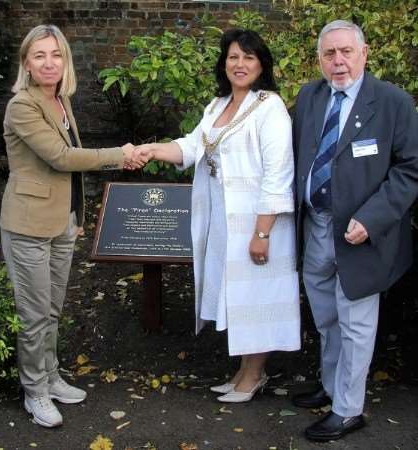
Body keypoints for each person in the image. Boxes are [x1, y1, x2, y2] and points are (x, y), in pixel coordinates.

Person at [136, 29, 300, 403]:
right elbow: (192, 146)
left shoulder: (269, 108)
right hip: (224, 221)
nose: (239, 65)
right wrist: (149, 149)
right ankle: (244, 371)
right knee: (237, 297)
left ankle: (254, 375)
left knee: (256, 295)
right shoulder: (217, 105)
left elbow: (279, 175)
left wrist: (262, 233)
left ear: (262, 64)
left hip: (259, 223)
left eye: (248, 58)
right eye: (233, 57)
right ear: (223, 62)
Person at [0, 24, 146, 428]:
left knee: (51, 309)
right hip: (28, 224)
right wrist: (121, 153)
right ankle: (35, 393)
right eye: (39, 55)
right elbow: (62, 158)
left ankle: (49, 376)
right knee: (32, 316)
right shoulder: (23, 106)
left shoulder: (60, 99)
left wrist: (76, 218)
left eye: (56, 55)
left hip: (61, 222)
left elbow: (68, 173)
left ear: (65, 60)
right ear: (26, 63)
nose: (49, 63)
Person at [292, 20, 418, 441]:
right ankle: (331, 386)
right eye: (329, 54)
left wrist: (374, 217)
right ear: (319, 59)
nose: (338, 61)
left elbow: (410, 169)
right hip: (317, 227)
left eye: (346, 51)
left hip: (363, 234)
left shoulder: (392, 102)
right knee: (325, 316)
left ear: (364, 54)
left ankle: (348, 409)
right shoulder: (309, 96)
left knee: (356, 323)